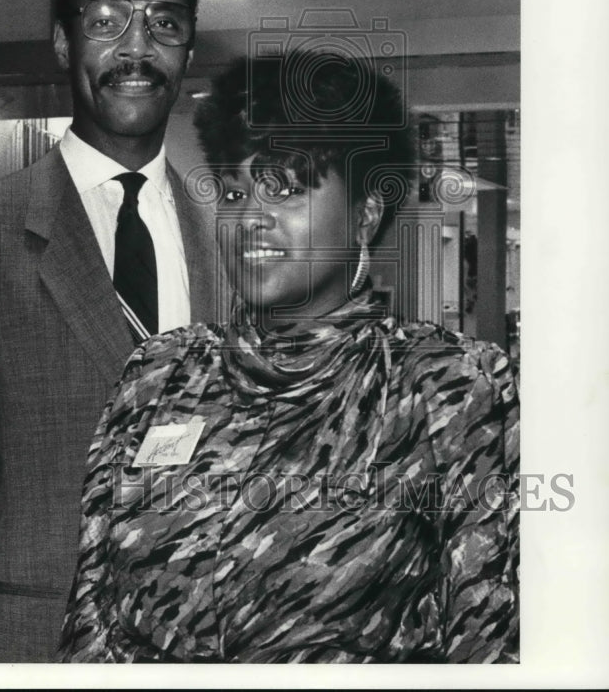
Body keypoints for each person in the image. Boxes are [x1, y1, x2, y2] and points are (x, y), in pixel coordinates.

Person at [56, 48, 519, 664]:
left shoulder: (446, 389)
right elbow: (92, 613)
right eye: (234, 190)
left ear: (365, 214)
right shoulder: (160, 375)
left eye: (286, 189)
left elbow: (489, 642)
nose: (250, 217)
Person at [0, 0, 226, 662]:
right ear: (63, 42)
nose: (136, 49)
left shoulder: (222, 237)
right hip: (36, 642)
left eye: (164, 23)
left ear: (187, 48)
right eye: (106, 20)